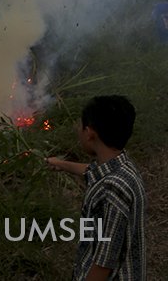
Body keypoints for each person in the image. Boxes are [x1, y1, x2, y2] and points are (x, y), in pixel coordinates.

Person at [46, 95, 145, 281]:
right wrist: (59, 164)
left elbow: (104, 262)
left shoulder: (113, 190)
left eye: (80, 127)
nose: (78, 131)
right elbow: (93, 171)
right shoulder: (123, 167)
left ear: (90, 133)